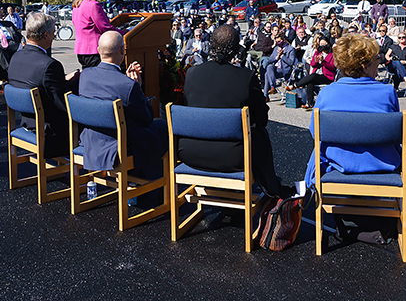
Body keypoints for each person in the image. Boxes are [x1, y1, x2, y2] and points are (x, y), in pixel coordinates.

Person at [180, 25, 290, 197]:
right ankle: (272, 189)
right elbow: (262, 119)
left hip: (190, 153)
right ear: (236, 48)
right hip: (232, 157)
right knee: (259, 133)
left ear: (211, 45)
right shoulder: (245, 77)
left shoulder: (192, 74)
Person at [304, 34, 400, 187]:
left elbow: (315, 132)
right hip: (382, 163)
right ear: (364, 66)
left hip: (339, 163)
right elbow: (395, 135)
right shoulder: (387, 92)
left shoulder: (327, 93)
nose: (379, 61)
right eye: (377, 58)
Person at [78, 31, 167, 176]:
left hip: (90, 140)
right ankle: (154, 187)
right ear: (122, 50)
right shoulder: (127, 85)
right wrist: (136, 87)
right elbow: (146, 118)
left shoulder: (85, 75)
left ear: (99, 50)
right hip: (117, 144)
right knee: (163, 128)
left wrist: (128, 82)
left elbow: (106, 92)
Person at [8, 12, 79, 157]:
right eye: (53, 33)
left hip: (27, 123)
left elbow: (35, 83)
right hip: (51, 134)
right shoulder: (49, 65)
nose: (54, 37)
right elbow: (63, 104)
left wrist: (61, 80)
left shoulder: (16, 57)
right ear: (46, 35)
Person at [72, 0, 124, 69]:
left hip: (81, 51)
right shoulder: (93, 5)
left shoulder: (77, 5)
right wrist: (124, 32)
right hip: (94, 51)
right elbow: (105, 28)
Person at [288, 34, 335, 110]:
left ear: (328, 44)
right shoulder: (318, 53)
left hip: (327, 76)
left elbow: (332, 67)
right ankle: (310, 103)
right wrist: (316, 62)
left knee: (313, 76)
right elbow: (312, 64)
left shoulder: (332, 54)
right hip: (317, 74)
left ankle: (295, 85)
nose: (322, 46)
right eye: (321, 44)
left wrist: (323, 62)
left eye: (324, 44)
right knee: (310, 82)